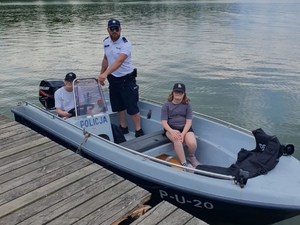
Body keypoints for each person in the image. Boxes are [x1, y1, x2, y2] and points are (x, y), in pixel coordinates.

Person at [98, 19, 144, 137]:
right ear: (108, 30)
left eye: (116, 29)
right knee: (119, 106)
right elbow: (106, 59)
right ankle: (123, 127)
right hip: (114, 79)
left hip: (127, 79)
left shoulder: (125, 43)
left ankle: (138, 130)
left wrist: (105, 74)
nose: (114, 31)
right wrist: (101, 74)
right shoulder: (106, 42)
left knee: (132, 107)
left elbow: (119, 61)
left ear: (120, 29)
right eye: (112, 29)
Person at [161, 83, 200, 170]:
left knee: (192, 143)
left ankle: (191, 156)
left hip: (185, 128)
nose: (178, 94)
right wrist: (172, 131)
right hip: (171, 128)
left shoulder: (187, 104)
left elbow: (189, 121)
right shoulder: (166, 105)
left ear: (184, 94)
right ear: (173, 92)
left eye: (180, 92)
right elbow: (164, 122)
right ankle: (184, 163)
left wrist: (182, 134)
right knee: (177, 140)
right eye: (176, 92)